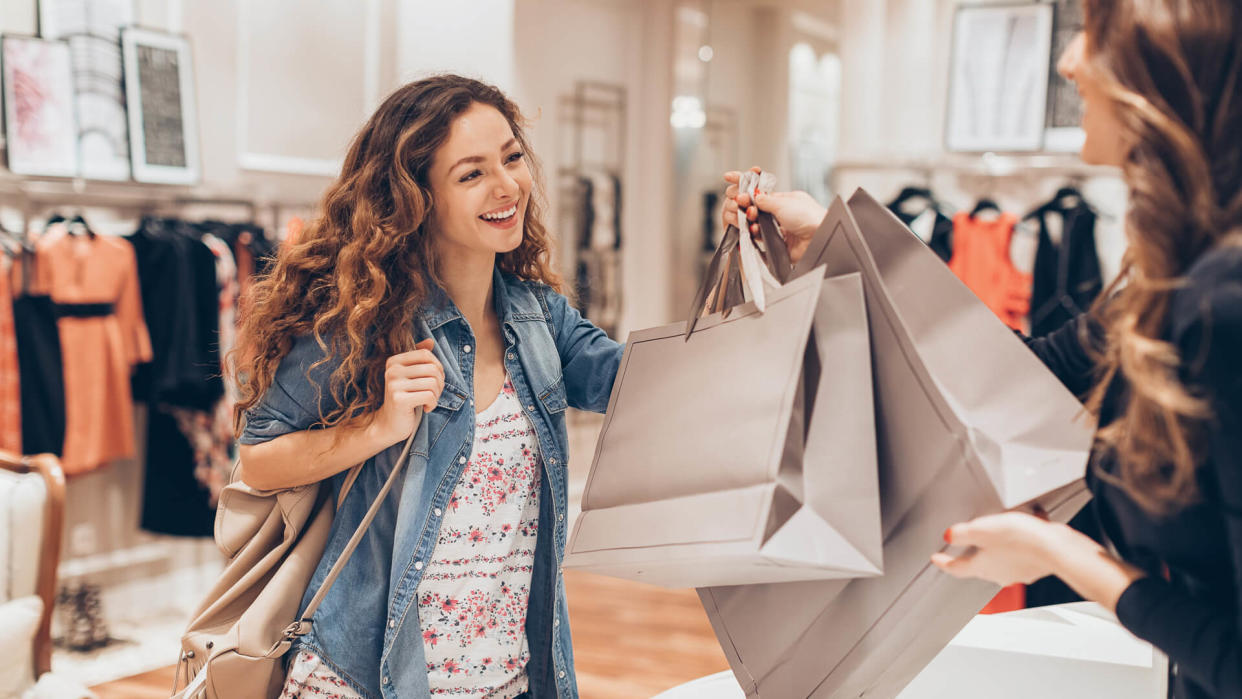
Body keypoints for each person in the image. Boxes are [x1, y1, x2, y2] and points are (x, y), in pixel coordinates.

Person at [724, 2, 1242, 696]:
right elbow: (1013, 370)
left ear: (1164, 67)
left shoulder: (1221, 302)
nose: (1067, 61)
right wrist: (829, 240)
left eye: (1093, 34)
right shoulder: (1170, 277)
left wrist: (1059, 552)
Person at [232, 75, 623, 699]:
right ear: (416, 199)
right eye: (471, 174)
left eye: (512, 158)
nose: (507, 187)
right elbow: (258, 459)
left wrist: (768, 268)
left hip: (506, 677)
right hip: (366, 678)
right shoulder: (360, 323)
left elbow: (642, 387)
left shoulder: (539, 321)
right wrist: (380, 426)